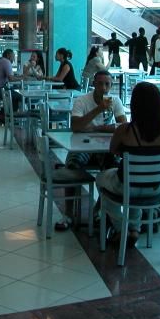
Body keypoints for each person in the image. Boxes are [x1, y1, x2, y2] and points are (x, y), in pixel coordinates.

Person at [95, 82, 160, 247]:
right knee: (137, 183)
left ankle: (120, 228)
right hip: (155, 188)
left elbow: (113, 150)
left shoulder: (125, 130)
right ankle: (134, 228)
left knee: (101, 179)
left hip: (126, 186)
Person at [56, 70, 127, 232]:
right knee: (72, 166)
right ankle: (68, 213)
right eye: (100, 84)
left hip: (105, 147)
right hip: (83, 146)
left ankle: (100, 209)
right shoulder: (82, 101)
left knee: (113, 168)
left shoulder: (115, 101)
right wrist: (98, 110)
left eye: (107, 84)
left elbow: (123, 126)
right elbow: (76, 127)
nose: (104, 88)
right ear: (94, 84)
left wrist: (97, 128)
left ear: (111, 85)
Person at [0, 49, 22, 124]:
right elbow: (11, 78)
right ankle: (9, 117)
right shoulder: (6, 62)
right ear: (8, 55)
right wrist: (22, 78)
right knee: (18, 96)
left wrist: (19, 77)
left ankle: (1, 115)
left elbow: (9, 77)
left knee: (13, 94)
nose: (14, 59)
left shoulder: (0, 61)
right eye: (13, 56)